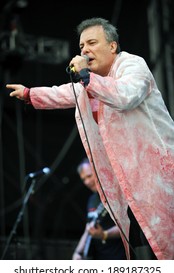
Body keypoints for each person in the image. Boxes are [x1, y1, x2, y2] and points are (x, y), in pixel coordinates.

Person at [6, 17, 174, 260]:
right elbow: (62, 93)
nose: (84, 50)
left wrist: (86, 75)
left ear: (112, 46)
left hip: (157, 176)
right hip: (128, 184)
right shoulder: (88, 84)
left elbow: (126, 95)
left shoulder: (132, 65)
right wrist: (29, 94)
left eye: (92, 43)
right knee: (146, 251)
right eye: (82, 46)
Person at [72, 158, 126, 260]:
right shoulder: (92, 199)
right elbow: (88, 228)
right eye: (83, 179)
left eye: (89, 176)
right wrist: (77, 252)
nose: (87, 182)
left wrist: (104, 234)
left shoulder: (114, 195)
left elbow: (126, 227)